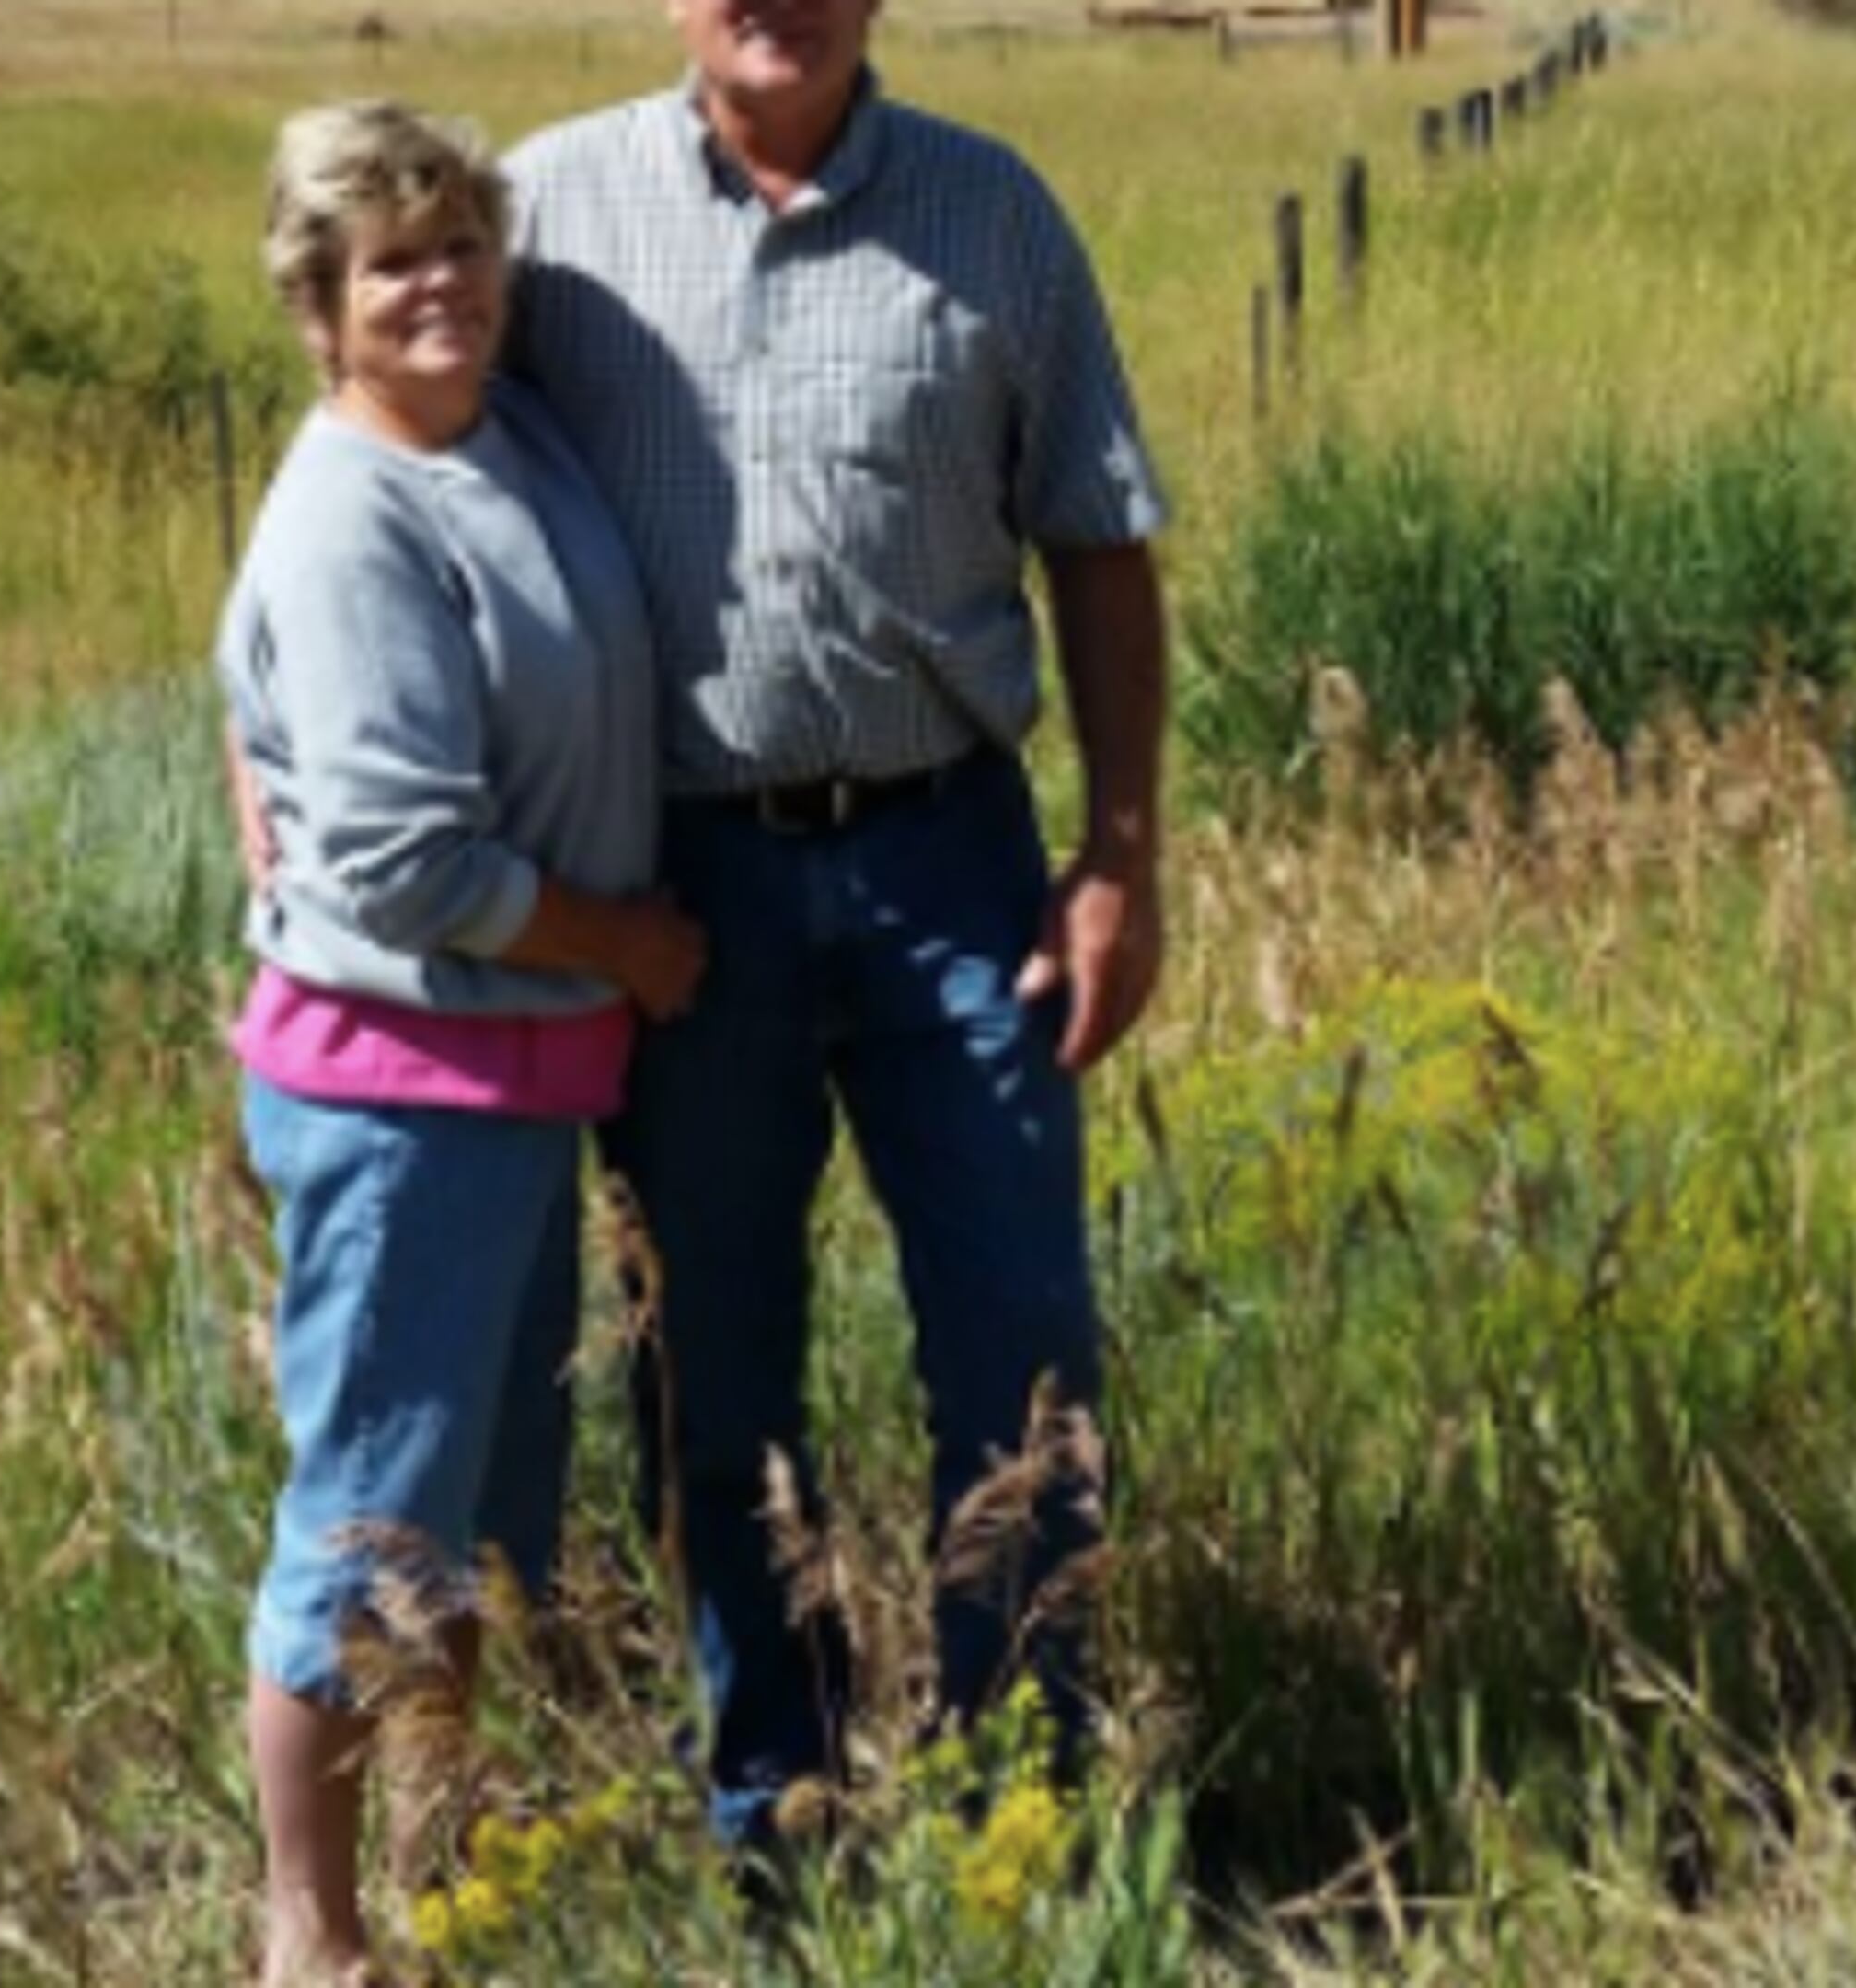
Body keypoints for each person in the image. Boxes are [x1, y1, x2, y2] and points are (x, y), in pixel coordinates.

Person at [500, 0, 1174, 1851]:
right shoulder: (545, 216)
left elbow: (1099, 538)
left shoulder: (994, 215)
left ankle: (1014, 1817)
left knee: (1021, 1355)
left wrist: (1120, 855)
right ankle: (771, 1817)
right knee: (710, 1368)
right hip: (678, 891)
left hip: (954, 873)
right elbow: (399, 464)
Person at [217, 100, 706, 1986]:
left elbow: (245, 670)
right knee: (372, 1522)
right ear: (320, 305)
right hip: (398, 1092)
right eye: (390, 263)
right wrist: (631, 945)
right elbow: (416, 867)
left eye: (461, 247)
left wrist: (252, 758)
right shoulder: (354, 509)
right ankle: (314, 1939)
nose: (439, 287)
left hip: (506, 1083)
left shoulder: (495, 437)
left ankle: (450, 1873)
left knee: (475, 1521)